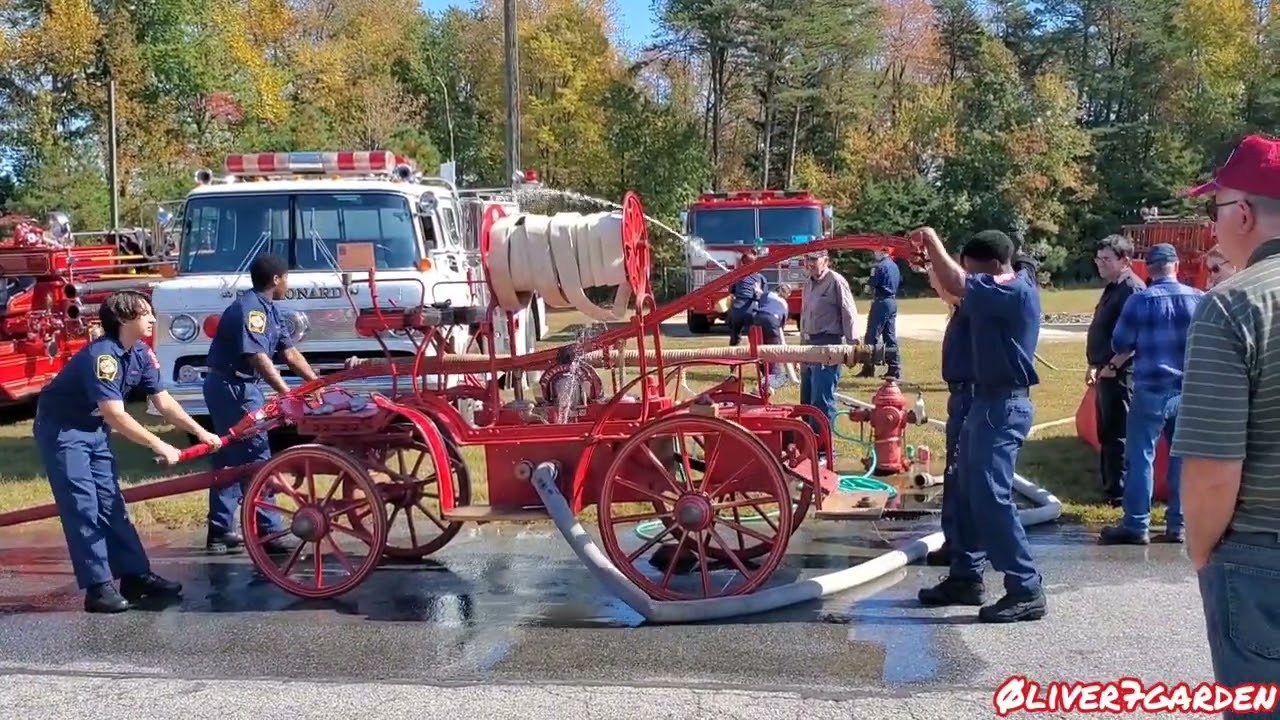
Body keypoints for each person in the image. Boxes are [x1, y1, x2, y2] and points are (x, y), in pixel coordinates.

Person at [35, 291, 222, 613]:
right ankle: (98, 588)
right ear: (123, 319)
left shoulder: (139, 354)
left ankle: (134, 575)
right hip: (64, 432)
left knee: (111, 503)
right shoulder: (103, 357)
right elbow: (116, 414)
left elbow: (163, 402)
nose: (152, 319)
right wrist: (159, 444)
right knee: (83, 506)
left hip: (92, 431)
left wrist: (201, 432)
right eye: (145, 313)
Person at [1172, 134, 1280, 690]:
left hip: (1261, 559)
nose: (1211, 228)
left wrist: (1201, 551)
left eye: (1214, 210)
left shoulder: (1235, 303)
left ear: (1242, 214)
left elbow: (1213, 469)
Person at [914, 227, 1046, 623]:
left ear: (989, 265)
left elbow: (958, 284)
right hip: (986, 402)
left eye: (973, 269)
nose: (971, 277)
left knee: (991, 496)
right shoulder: (998, 288)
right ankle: (966, 577)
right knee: (969, 492)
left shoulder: (1010, 288)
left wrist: (933, 240)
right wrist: (932, 262)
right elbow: (953, 287)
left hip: (1002, 405)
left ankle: (1025, 587)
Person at [203, 253, 319, 555]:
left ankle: (220, 530)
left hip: (241, 386)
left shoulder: (270, 310)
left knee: (233, 456)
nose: (288, 284)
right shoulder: (251, 310)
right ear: (277, 279)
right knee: (255, 454)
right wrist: (286, 392)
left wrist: (313, 384)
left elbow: (289, 354)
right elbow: (258, 357)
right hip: (232, 386)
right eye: (287, 278)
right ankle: (266, 530)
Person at [1097, 243, 1202, 546]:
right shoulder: (1199, 299)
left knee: (1141, 457)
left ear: (1149, 270)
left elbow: (1120, 343)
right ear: (1177, 266)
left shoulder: (1140, 301)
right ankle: (1178, 525)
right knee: (1181, 458)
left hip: (1150, 386)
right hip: (1187, 389)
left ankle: (1136, 524)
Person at [1086, 235, 1146, 506]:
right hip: (1104, 370)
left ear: (1125, 261)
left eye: (1106, 259)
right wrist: (1094, 365)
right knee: (1106, 432)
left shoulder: (1132, 289)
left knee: (1118, 434)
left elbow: (1137, 336)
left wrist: (1112, 366)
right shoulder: (1112, 286)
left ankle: (1119, 493)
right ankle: (1110, 486)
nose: (1100, 264)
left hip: (1121, 374)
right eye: (1098, 259)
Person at [924, 256, 971, 568]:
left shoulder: (967, 308)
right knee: (955, 474)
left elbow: (955, 289)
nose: (933, 284)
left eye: (936, 279)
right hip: (961, 395)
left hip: (968, 397)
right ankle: (955, 540)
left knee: (960, 474)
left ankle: (962, 546)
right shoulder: (960, 310)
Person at [798, 250, 858, 460]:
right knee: (806, 400)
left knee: (821, 399)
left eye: (814, 259)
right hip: (809, 344)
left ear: (826, 261)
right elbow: (805, 317)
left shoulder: (836, 281)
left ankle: (824, 450)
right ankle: (808, 446)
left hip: (829, 344)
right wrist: (801, 351)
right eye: (808, 259)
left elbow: (849, 312)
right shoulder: (808, 283)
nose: (811, 263)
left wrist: (852, 346)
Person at [857, 248, 901, 379]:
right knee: (890, 336)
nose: (874, 254)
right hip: (892, 301)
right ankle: (894, 368)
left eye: (875, 251)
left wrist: (864, 286)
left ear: (881, 252)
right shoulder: (894, 266)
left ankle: (868, 368)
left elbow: (868, 288)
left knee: (871, 336)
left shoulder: (878, 267)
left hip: (881, 302)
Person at [753, 282, 792, 388]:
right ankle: (774, 376)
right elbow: (781, 324)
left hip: (757, 318)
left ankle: (763, 373)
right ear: (786, 294)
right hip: (772, 320)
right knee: (774, 349)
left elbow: (760, 297)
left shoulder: (768, 294)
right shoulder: (784, 304)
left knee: (759, 348)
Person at [726, 249, 767, 346]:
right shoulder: (760, 278)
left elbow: (731, 291)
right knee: (754, 338)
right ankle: (757, 357)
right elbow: (764, 296)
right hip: (751, 308)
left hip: (737, 309)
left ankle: (732, 358)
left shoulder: (737, 276)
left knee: (735, 337)